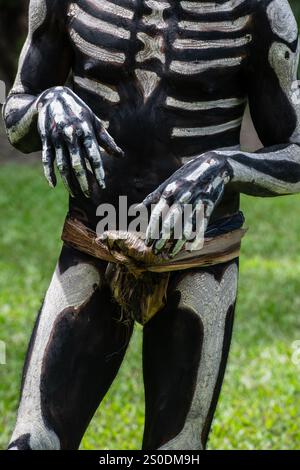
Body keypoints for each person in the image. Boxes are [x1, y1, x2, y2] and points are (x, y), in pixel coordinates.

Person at [3, 0, 300, 450]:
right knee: (32, 444)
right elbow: (16, 115)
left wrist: (223, 167)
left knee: (175, 455)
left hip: (201, 260)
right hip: (92, 246)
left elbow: (295, 151)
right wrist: (48, 104)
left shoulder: (258, 11)